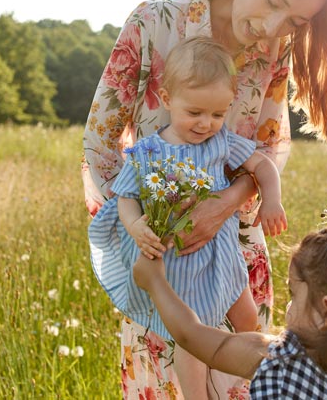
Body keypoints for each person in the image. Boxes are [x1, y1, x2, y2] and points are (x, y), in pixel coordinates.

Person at [82, 0, 327, 398]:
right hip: (163, 261)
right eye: (274, 1)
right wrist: (143, 230)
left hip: (235, 248)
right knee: (172, 383)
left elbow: (268, 147)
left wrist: (222, 206)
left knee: (247, 383)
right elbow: (101, 141)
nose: (274, 28)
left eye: (294, 21)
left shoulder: (274, 50)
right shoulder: (155, 22)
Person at [89, 36, 288, 399]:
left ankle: (260, 383)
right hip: (182, 266)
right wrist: (136, 226)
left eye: (217, 114)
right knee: (193, 337)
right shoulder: (149, 151)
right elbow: (126, 198)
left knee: (248, 318)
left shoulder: (222, 142)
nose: (206, 124)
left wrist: (272, 200)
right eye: (194, 113)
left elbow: (263, 165)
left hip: (224, 255)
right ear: (166, 100)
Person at [133, 222, 327, 399]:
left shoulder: (281, 363)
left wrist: (156, 283)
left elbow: (193, 336)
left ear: (326, 313)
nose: (288, 306)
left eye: (294, 294)